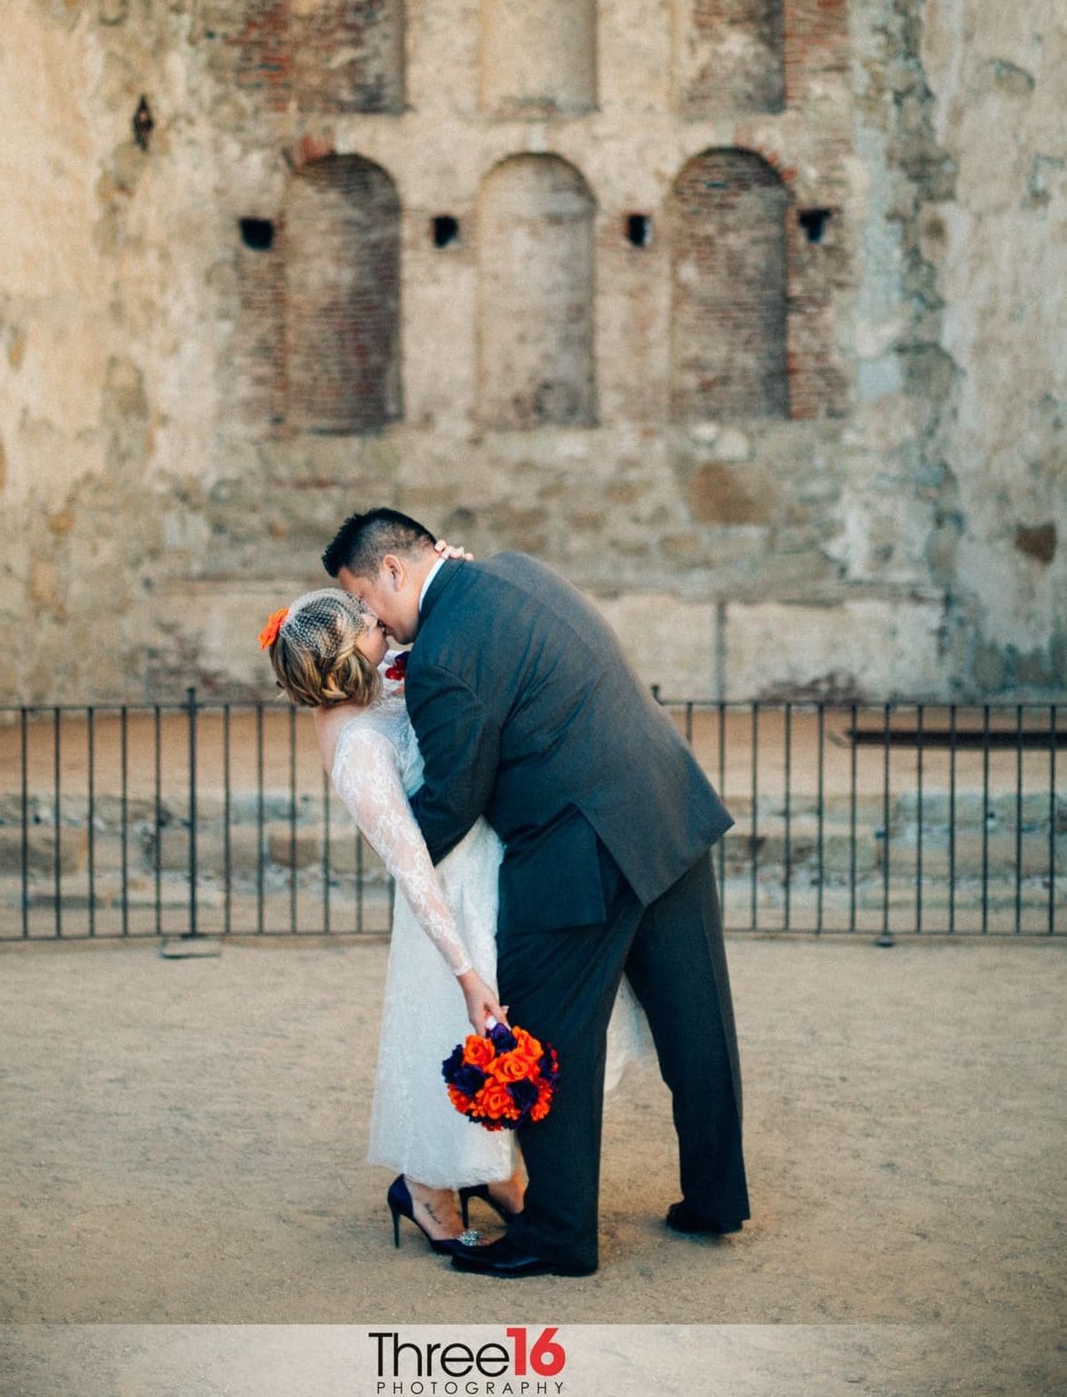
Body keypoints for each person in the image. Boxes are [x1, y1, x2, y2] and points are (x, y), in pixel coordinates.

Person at [325, 508, 751, 1280]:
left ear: (393, 569)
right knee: (698, 1026)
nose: (368, 616)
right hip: (666, 803)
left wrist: (394, 840)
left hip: (580, 851)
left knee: (549, 1037)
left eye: (363, 596)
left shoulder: (444, 654)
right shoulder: (516, 569)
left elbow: (453, 802)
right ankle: (716, 1197)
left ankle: (557, 1234)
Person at [262, 576, 652, 1258]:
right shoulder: (354, 750)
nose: (379, 621)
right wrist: (466, 972)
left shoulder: (377, 680)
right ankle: (423, 1190)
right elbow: (413, 867)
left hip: (488, 873)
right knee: (455, 1035)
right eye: (366, 623)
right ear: (347, 659)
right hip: (447, 907)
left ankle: (495, 1171)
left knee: (517, 1028)